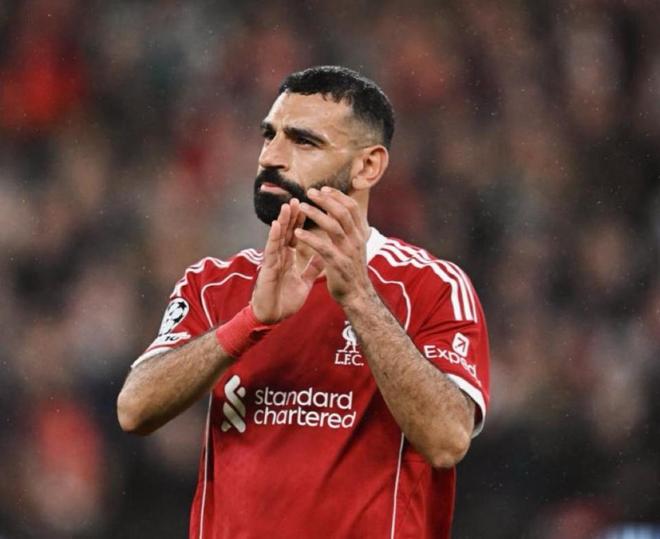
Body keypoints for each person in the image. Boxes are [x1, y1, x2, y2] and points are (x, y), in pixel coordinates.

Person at [117, 65, 490, 539]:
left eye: (304, 141)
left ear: (368, 167)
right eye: (269, 135)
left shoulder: (430, 287)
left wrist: (359, 299)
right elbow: (134, 410)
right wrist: (250, 322)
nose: (271, 156)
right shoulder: (215, 284)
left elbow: (447, 441)